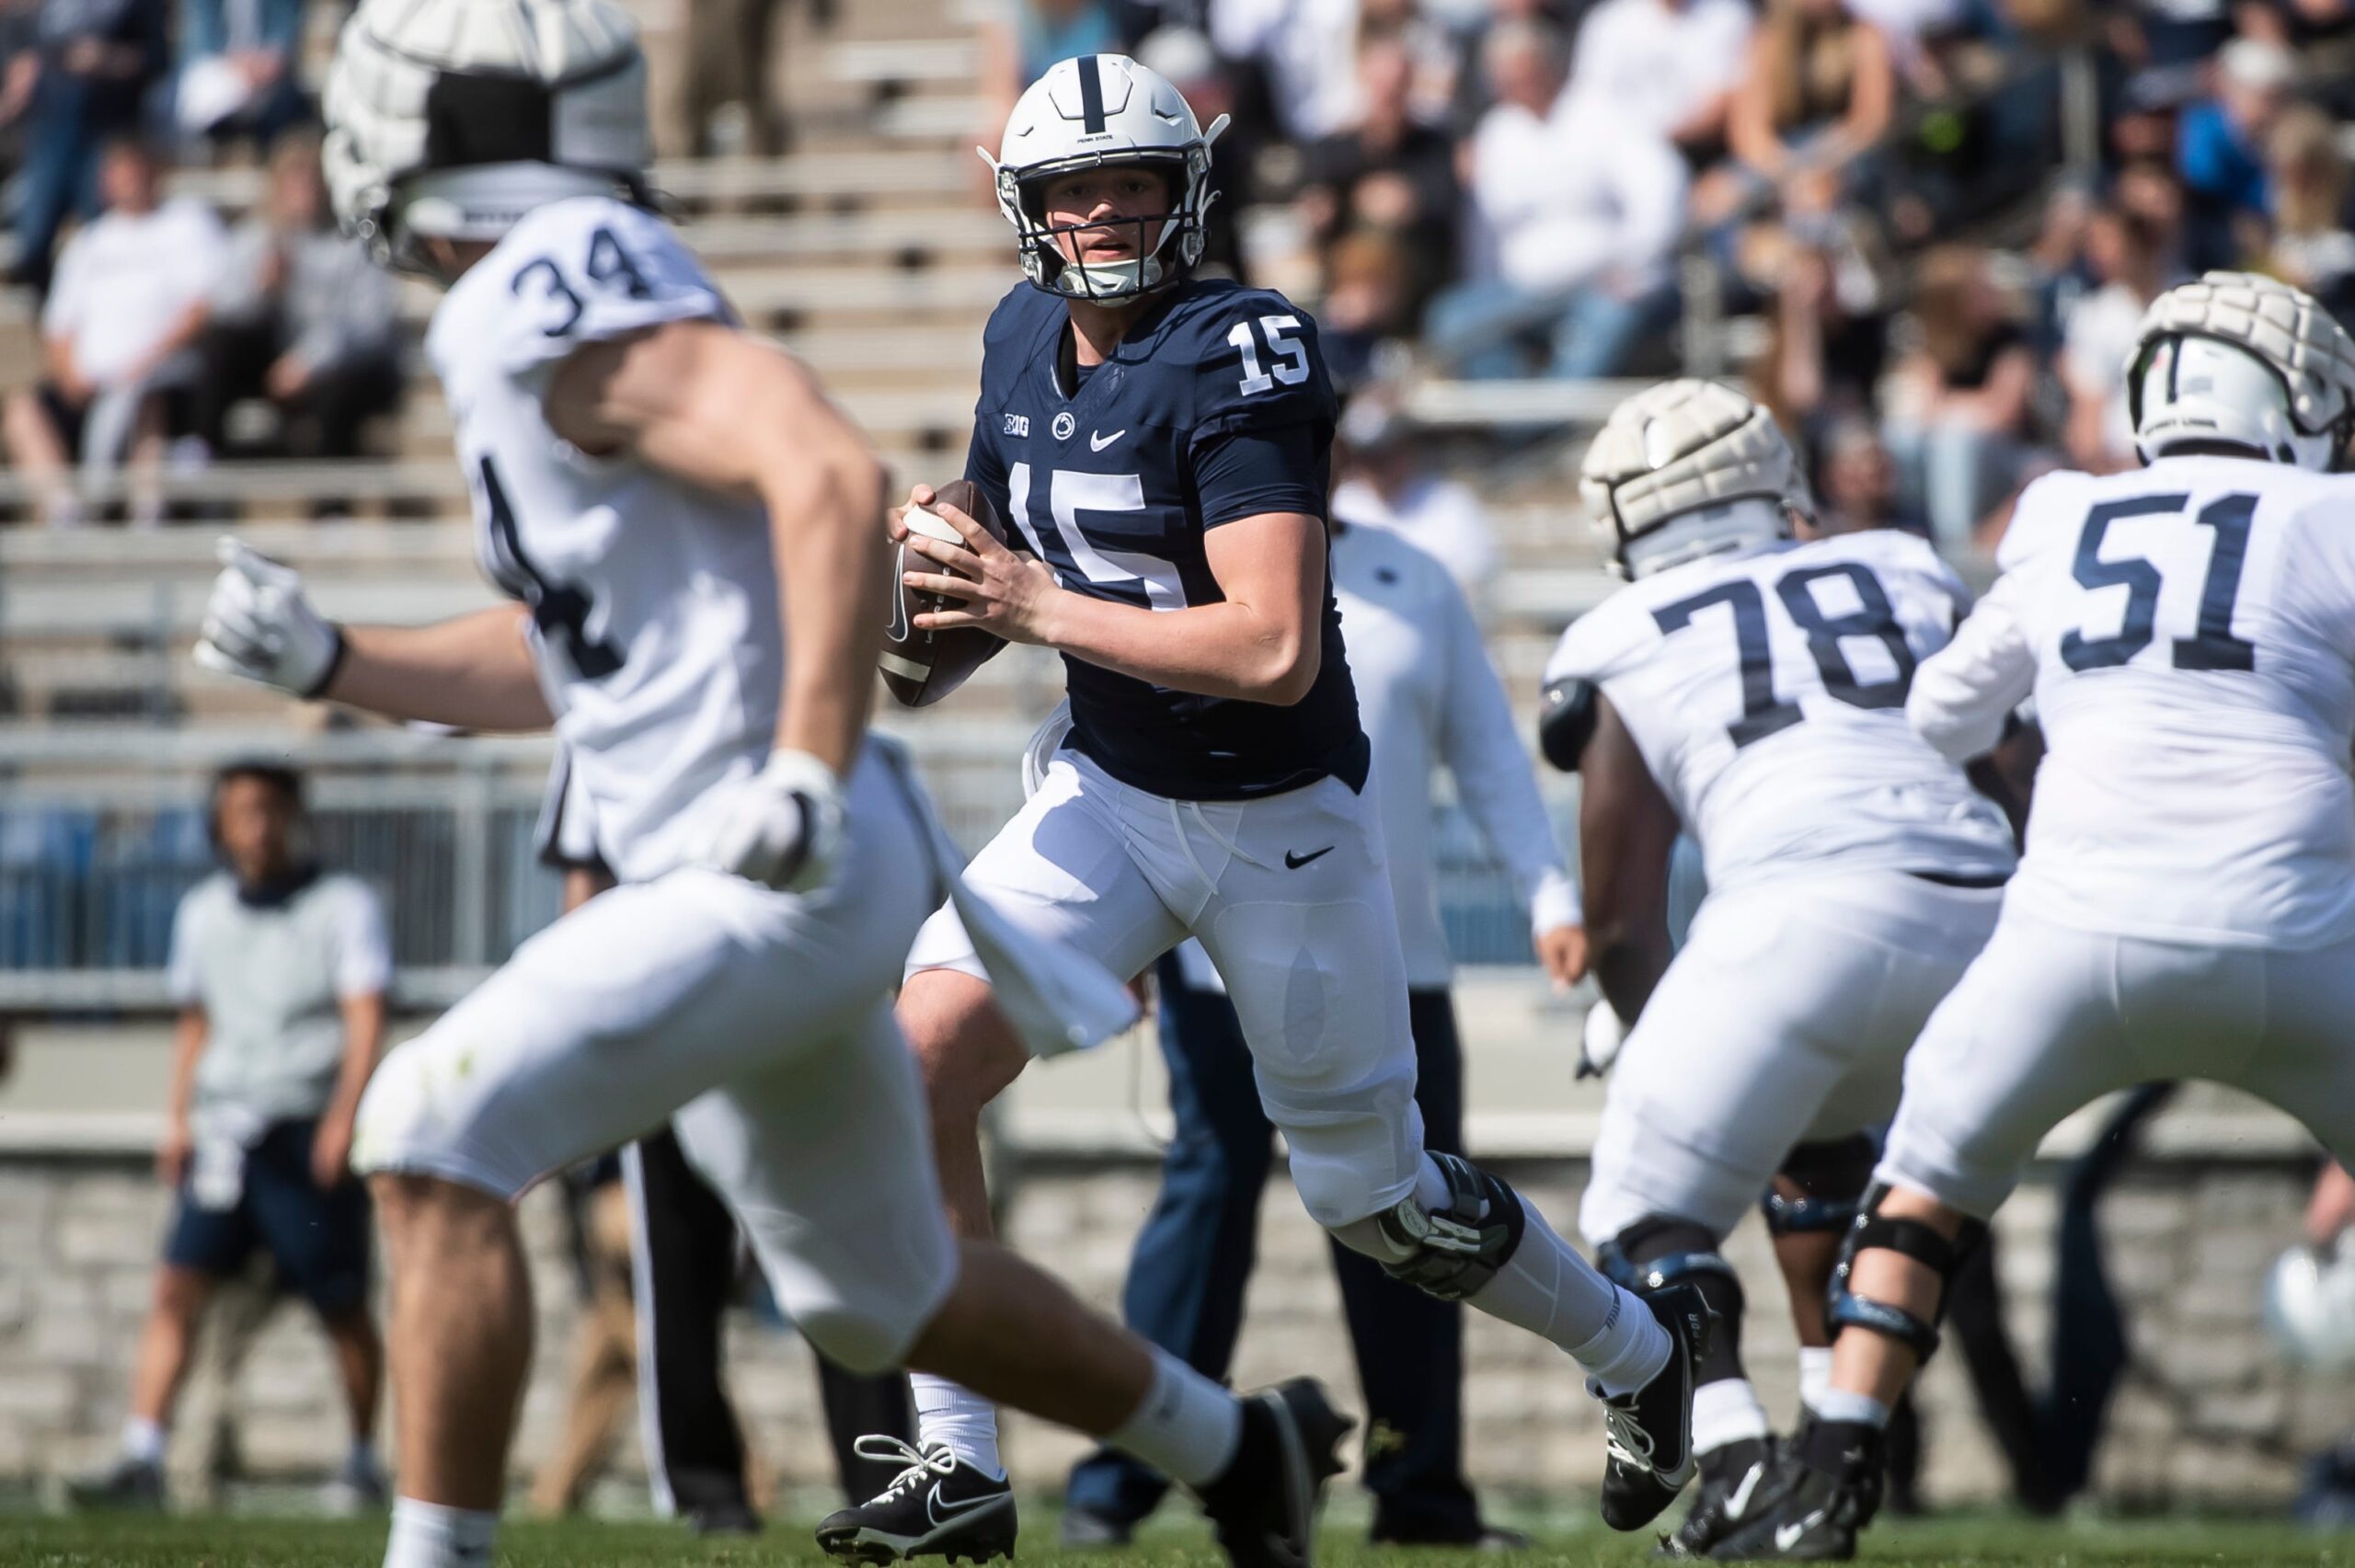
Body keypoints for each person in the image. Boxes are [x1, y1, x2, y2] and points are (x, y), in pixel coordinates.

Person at [196, 8, 1348, 1568]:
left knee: (422, 1132)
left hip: (763, 856)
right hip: (779, 853)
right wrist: (340, 658)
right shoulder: (555, 295)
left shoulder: (539, 286)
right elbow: (577, 657)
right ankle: (1237, 1447)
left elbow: (822, 471)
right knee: (880, 1289)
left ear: (439, 132)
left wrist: (805, 761)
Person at [821, 50, 1705, 1564]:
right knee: (909, 1079)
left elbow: (1270, 642)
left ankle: (1641, 1353)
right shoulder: (1021, 334)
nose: (1099, 215)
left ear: (1191, 190)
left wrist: (1027, 603)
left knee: (1382, 1205)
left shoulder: (1245, 348)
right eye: (1069, 190)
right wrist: (920, 617)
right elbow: (993, 597)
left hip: (1275, 821)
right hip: (1108, 791)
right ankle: (958, 1466)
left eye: (1130, 184)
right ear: (1021, 207)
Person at [1721, 270, 2355, 1560]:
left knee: (1924, 1186)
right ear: (2297, 397)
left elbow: (1944, 710)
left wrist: (2059, 744)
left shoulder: (2067, 516)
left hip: (2073, 934)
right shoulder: (2334, 514)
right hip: (2298, 923)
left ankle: (1837, 1459)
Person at [1538, 380, 2017, 1556]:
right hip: (1995, 920)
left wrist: (1645, 1030)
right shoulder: (1901, 565)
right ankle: (1834, 1446)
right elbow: (2013, 763)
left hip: (1804, 918)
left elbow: (1617, 921)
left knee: (1643, 1207)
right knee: (1833, 1153)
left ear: (1621, 525)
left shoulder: (1617, 635)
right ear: (1778, 488)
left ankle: (1744, 1456)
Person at [1059, 509, 1588, 1549]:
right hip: (1216, 962)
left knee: (1411, 1221)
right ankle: (1123, 1477)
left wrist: (1548, 894)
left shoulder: (1414, 579)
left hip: (1398, 962)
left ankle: (1418, 1487)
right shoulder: (1183, 566)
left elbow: (1485, 750)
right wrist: (1105, 938)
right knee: (1204, 1212)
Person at [532, 752, 920, 1533]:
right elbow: (588, 886)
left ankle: (881, 1478)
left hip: (796, 993)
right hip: (668, 1003)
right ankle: (710, 1494)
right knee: (676, 1260)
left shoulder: (786, 686)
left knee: (843, 1254)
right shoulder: (597, 724)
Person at [70, 761, 392, 1513]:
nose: (259, 825)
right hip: (225, 1133)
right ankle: (142, 1453)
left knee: (339, 1301)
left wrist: (345, 1116)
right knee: (176, 1286)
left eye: (271, 809)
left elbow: (364, 1015)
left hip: (306, 1126)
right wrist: (175, 1116)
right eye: (243, 811)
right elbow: (195, 1023)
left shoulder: (343, 906)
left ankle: (362, 1458)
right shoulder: (203, 912)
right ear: (220, 825)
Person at [1423, 18, 1688, 380]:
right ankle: (1518, 425)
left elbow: (1661, 190)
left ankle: (1552, 422)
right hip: (1523, 293)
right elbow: (1484, 230)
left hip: (1604, 282)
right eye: (1505, 78)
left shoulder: (1603, 113)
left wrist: (1635, 263)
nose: (1516, 85)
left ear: (1549, 65)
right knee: (1452, 320)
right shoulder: (1497, 132)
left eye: (1523, 73)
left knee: (1609, 317)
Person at [1, 137, 224, 527]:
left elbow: (200, 308)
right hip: (89, 382)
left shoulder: (185, 224)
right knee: (21, 406)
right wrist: (71, 376)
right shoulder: (89, 242)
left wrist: (141, 364)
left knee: (145, 400)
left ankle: (146, 515)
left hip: (162, 374)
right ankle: (64, 509)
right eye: (119, 173)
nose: (128, 181)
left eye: (134, 171)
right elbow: (59, 328)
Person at [201, 133, 404, 471]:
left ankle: (330, 511)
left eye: (309, 182)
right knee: (222, 349)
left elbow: (370, 327)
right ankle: (203, 457)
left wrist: (308, 362)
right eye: (292, 182)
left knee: (339, 395)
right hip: (279, 364)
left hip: (344, 367)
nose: (302, 193)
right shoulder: (258, 237)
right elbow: (221, 308)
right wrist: (261, 290)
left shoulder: (353, 242)